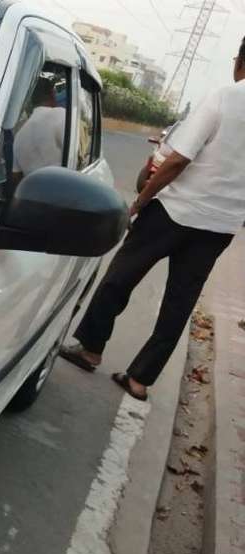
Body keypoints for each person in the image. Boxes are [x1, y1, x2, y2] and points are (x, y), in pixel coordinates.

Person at [61, 37, 245, 400]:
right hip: (220, 226)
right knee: (180, 302)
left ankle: (90, 348)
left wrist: (141, 201)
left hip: (174, 210)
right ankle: (140, 379)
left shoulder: (225, 97)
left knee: (121, 276)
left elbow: (177, 159)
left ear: (240, 60)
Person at [12, 77, 66, 177]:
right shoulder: (62, 115)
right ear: (53, 94)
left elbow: (16, 176)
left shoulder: (19, 136)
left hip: (32, 191)